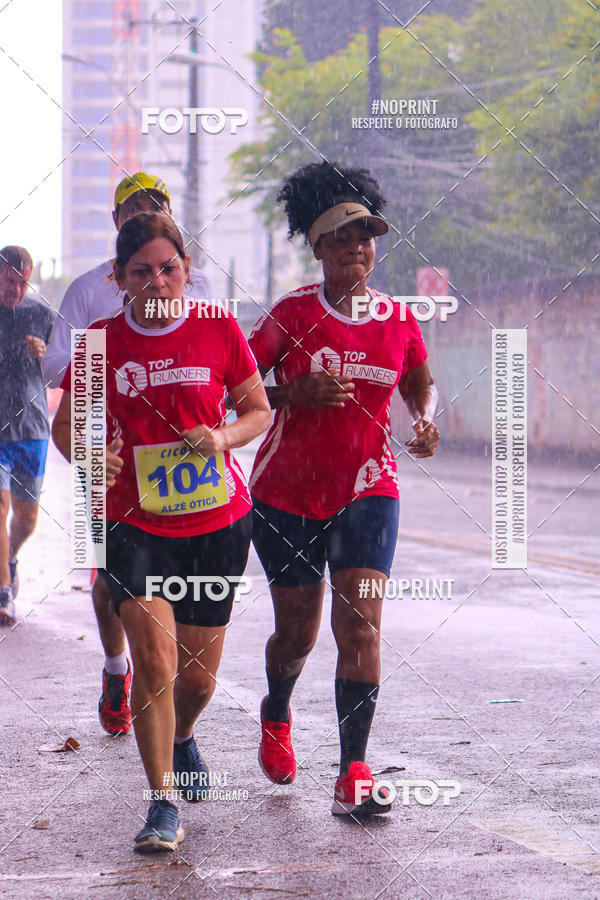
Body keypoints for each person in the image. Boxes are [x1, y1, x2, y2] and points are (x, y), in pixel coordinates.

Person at [52, 212, 270, 852]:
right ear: (119, 278)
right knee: (155, 663)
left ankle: (182, 734)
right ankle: (161, 803)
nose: (156, 282)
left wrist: (222, 437)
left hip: (217, 523)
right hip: (133, 520)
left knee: (197, 679)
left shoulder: (219, 328)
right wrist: (94, 459)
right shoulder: (98, 343)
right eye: (141, 272)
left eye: (168, 269)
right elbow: (69, 430)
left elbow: (256, 409)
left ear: (186, 271)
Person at [248, 161, 440, 817]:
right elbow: (235, 388)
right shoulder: (291, 314)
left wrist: (425, 416)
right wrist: (291, 392)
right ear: (320, 246)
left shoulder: (398, 317)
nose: (360, 246)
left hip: (368, 485)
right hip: (286, 493)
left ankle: (352, 772)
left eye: (369, 234)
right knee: (298, 633)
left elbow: (418, 378)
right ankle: (277, 709)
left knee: (360, 623)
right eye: (346, 235)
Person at [43, 172, 213, 737]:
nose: (144, 213)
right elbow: (59, 365)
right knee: (105, 579)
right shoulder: (91, 288)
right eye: (133, 207)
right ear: (115, 222)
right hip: (108, 455)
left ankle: (171, 693)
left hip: (185, 465)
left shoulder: (193, 280)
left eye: (156, 205)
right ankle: (119, 670)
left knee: (187, 586)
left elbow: (217, 361)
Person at [0, 246, 55, 626]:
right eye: (8, 280)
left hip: (32, 428)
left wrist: (46, 352)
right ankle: (3, 592)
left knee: (26, 516)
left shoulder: (41, 314)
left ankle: (9, 556)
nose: (16, 290)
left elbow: (71, 365)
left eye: (22, 282)